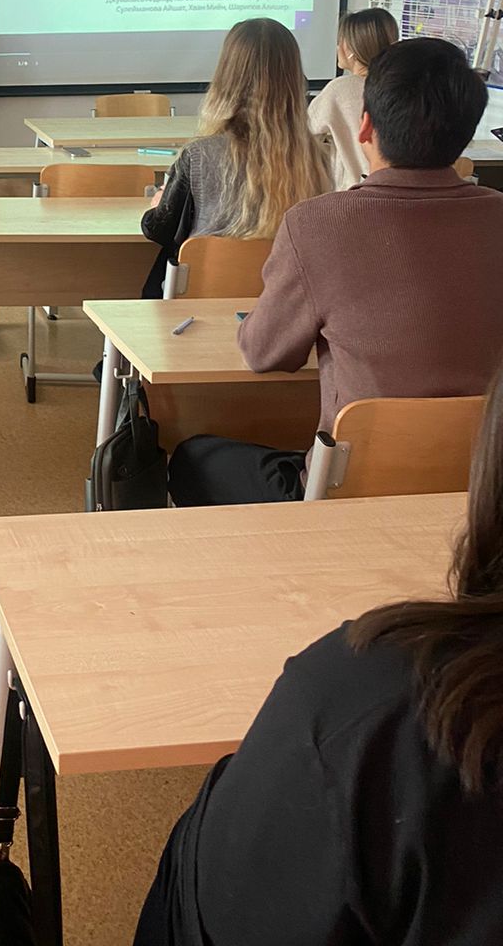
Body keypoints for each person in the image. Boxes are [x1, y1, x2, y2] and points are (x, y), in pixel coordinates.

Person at [135, 368, 503, 946]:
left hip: (334, 489)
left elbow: (264, 350)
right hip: (423, 490)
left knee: (193, 455)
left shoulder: (372, 711)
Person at [171, 37, 503, 507]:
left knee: (193, 457)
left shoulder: (319, 224)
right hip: (484, 486)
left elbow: (264, 353)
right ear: (466, 133)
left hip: (352, 490)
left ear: (365, 126)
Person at [140, 19, 331, 288]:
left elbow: (160, 230)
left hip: (201, 301)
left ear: (226, 77)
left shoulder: (198, 155)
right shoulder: (317, 159)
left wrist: (158, 205)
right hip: (280, 301)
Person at [308, 6, 399, 190]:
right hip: (397, 190)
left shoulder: (340, 89)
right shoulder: (401, 89)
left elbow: (305, 132)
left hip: (350, 193)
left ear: (350, 48)